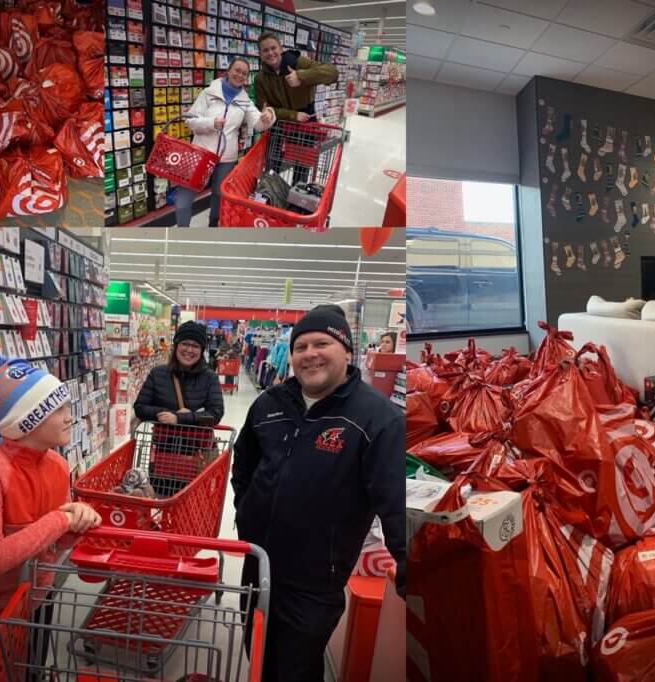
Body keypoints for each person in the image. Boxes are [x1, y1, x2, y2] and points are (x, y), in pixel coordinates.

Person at [232, 304, 405, 682]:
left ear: (346, 350)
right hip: (257, 563)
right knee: (258, 654)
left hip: (315, 579)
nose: (310, 353)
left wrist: (411, 567)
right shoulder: (268, 405)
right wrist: (245, 513)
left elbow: (394, 501)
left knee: (294, 668)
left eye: (322, 343)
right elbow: (243, 464)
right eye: (301, 346)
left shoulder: (376, 418)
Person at [0, 354, 102, 671]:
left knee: (34, 671)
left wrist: (75, 527)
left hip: (39, 598)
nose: (70, 417)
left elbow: (53, 544)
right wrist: (61, 519)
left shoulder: (58, 465)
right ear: (29, 419)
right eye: (59, 409)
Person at [177, 57, 277, 226]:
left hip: (226, 159)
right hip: (201, 154)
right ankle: (180, 235)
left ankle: (213, 227)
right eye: (237, 70)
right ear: (228, 71)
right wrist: (211, 123)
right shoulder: (209, 93)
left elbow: (259, 125)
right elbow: (190, 121)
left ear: (247, 78)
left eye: (244, 73)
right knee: (183, 200)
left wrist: (269, 115)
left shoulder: (245, 101)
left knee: (219, 195)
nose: (240, 75)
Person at [134, 321, 225, 493]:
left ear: (201, 350)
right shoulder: (158, 374)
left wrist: (181, 418)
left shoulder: (209, 378)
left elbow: (216, 413)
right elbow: (140, 407)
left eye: (195, 346)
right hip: (163, 456)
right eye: (185, 343)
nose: (189, 350)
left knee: (193, 507)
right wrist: (167, 413)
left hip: (197, 455)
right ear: (176, 346)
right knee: (162, 498)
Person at [254, 32, 338, 185]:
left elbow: (332, 73)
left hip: (305, 122)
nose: (270, 53)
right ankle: (271, 196)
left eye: (273, 48)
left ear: (281, 48)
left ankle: (296, 202)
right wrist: (293, 115)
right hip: (279, 123)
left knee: (301, 168)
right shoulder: (260, 79)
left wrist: (302, 76)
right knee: (272, 165)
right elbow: (264, 108)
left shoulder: (299, 63)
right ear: (260, 54)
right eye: (265, 50)